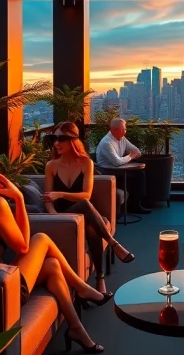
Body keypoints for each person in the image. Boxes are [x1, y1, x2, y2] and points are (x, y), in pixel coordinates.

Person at [0, 135, 109, 354]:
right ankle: (82, 288)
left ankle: (76, 328)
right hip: (0, 294)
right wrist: (17, 198)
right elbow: (23, 247)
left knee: (53, 266)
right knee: (41, 239)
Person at [43, 121, 135, 294]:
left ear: (74, 140)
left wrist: (61, 194)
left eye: (61, 139)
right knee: (86, 208)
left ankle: (100, 279)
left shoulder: (86, 163)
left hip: (84, 216)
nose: (56, 143)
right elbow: (48, 199)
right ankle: (113, 244)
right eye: (54, 138)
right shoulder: (52, 166)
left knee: (91, 227)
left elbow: (86, 194)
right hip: (62, 215)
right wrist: (54, 216)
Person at [95, 117, 149, 214]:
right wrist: (130, 156)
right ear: (115, 130)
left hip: (118, 169)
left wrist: (131, 156)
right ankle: (135, 205)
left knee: (140, 173)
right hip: (106, 172)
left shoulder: (122, 138)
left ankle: (136, 203)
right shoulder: (107, 143)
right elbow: (117, 162)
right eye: (124, 129)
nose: (125, 131)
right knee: (138, 176)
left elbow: (137, 151)